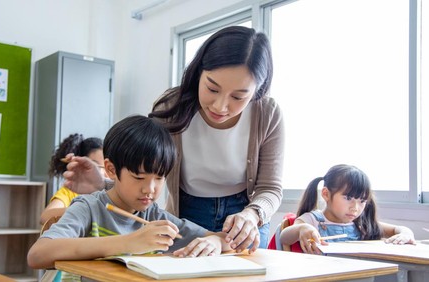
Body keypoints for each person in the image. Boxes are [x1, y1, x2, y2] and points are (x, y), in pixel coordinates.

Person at [63, 26, 284, 253]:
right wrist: (103, 184)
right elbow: (146, 170)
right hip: (187, 212)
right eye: (212, 88)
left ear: (258, 90)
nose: (220, 106)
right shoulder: (170, 108)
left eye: (238, 96)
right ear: (199, 72)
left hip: (244, 220)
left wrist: (251, 214)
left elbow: (270, 187)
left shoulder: (266, 114)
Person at [28, 115, 233, 269]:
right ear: (111, 170)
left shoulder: (155, 217)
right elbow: (37, 255)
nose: (150, 189)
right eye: (139, 177)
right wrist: (128, 243)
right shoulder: (88, 208)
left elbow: (224, 241)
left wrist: (214, 240)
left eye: (159, 178)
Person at [279, 164, 415, 254]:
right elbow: (284, 237)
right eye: (348, 198)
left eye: (362, 201)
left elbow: (399, 229)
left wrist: (406, 234)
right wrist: (302, 229)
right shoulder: (312, 220)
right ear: (326, 194)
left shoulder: (362, 224)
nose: (355, 208)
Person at [40, 134, 107, 225]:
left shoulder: (112, 190)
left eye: (107, 166)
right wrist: (85, 209)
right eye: (96, 166)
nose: (103, 172)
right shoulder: (70, 192)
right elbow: (45, 217)